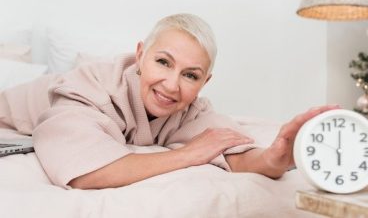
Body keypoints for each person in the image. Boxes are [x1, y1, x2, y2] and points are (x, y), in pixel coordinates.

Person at [0, 13, 338, 189]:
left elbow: (235, 153)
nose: (172, 85)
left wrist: (275, 157)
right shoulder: (89, 88)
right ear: (140, 55)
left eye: (190, 75)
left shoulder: (190, 108)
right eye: (163, 62)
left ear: (205, 82)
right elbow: (86, 173)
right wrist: (188, 155)